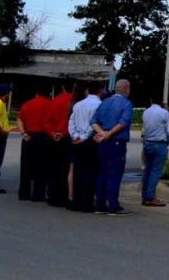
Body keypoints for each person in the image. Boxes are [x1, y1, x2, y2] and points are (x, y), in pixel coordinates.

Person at [89, 79, 134, 215]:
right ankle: (113, 205)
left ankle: (99, 204)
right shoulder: (126, 104)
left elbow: (93, 121)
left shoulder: (104, 102)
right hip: (116, 142)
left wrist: (102, 133)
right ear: (126, 89)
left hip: (102, 143)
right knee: (114, 174)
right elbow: (123, 122)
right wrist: (109, 134)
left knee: (102, 173)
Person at [66, 82, 102, 212]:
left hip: (76, 141)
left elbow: (71, 122)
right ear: (100, 90)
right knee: (89, 173)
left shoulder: (78, 104)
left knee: (77, 171)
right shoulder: (99, 105)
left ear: (87, 90)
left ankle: (75, 201)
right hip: (90, 142)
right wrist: (84, 137)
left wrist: (75, 135)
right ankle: (86, 203)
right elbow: (94, 124)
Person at [16, 84, 50, 202]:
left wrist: (23, 132)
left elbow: (19, 119)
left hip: (28, 137)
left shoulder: (27, 104)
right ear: (49, 93)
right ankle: (38, 194)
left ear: (36, 93)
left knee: (26, 166)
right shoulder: (49, 105)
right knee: (41, 167)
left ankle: (24, 193)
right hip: (43, 137)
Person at [43, 79, 73, 207]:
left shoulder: (55, 100)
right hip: (68, 138)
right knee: (66, 169)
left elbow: (47, 120)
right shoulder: (74, 102)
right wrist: (64, 133)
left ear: (62, 87)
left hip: (54, 138)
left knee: (53, 167)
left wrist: (52, 133)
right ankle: (64, 196)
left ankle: (52, 195)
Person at [139, 93, 169, 208]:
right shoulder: (164, 113)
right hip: (160, 143)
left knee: (147, 170)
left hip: (148, 144)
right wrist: (167, 142)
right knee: (155, 172)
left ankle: (144, 195)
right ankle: (150, 197)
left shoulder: (146, 112)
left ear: (151, 100)